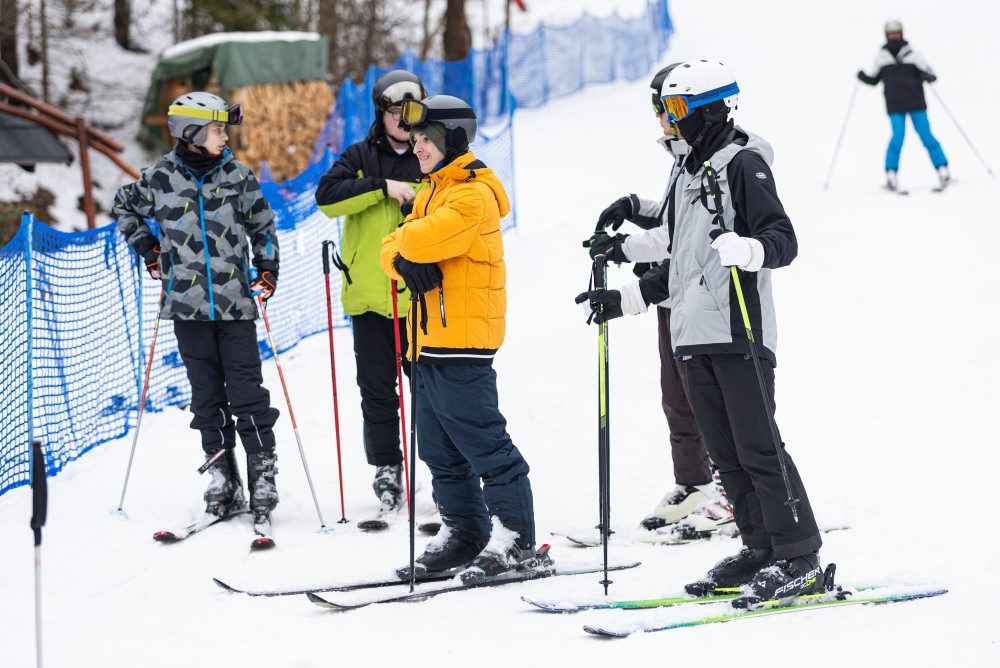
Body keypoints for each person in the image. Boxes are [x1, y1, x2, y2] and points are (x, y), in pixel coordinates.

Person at [577, 59, 824, 601]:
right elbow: (682, 264)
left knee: (759, 448)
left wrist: (753, 249)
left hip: (738, 329)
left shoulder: (742, 164)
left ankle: (799, 554)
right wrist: (628, 298)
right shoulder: (690, 173)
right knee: (725, 452)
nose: (666, 120)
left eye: (673, 110)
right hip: (692, 335)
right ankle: (760, 547)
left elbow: (783, 237)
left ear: (701, 109)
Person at [379, 95, 549, 584]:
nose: (417, 149)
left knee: (483, 444)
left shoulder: (471, 194)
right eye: (414, 140)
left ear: (451, 138)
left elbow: (411, 240)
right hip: (427, 339)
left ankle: (516, 538)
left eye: (425, 139)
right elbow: (390, 249)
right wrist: (403, 250)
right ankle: (464, 531)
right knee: (439, 448)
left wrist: (404, 245)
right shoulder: (434, 189)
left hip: (463, 337)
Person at [112, 92, 281, 542]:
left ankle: (263, 478)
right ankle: (222, 479)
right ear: (191, 132)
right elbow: (123, 207)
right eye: (217, 128)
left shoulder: (238, 176)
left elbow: (263, 225)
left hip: (236, 306)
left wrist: (267, 270)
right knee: (206, 398)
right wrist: (148, 249)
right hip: (186, 307)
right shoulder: (158, 179)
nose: (225, 135)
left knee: (247, 393)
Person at [586, 63, 734, 536]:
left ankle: (730, 491)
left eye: (667, 108)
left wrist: (625, 247)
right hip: (671, 292)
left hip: (697, 294)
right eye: (658, 107)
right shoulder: (682, 156)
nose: (660, 117)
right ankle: (693, 482)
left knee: (713, 399)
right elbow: (672, 220)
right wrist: (635, 207)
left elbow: (684, 242)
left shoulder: (713, 158)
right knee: (678, 398)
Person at [315, 70, 427, 513]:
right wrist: (381, 188)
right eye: (393, 111)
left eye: (409, 111)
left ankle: (442, 465)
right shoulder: (361, 155)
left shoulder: (431, 153)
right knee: (377, 391)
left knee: (433, 388)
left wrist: (415, 193)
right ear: (380, 113)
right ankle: (387, 468)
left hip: (421, 297)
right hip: (368, 301)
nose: (402, 120)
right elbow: (327, 198)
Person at [857, 19, 949, 191]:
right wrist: (863, 77)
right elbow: (874, 79)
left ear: (901, 33)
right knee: (897, 137)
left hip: (916, 103)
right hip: (895, 105)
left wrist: (926, 76)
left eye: (896, 33)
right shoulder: (881, 57)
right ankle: (891, 174)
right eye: (891, 34)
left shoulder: (913, 54)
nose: (894, 37)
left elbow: (931, 74)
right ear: (886, 35)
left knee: (926, 135)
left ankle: (942, 168)